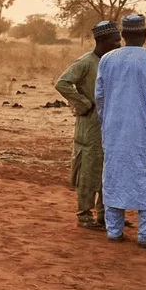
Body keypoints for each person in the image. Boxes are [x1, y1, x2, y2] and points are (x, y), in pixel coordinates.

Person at [55, 21, 121, 229]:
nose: (119, 44)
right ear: (101, 41)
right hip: (90, 124)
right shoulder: (85, 62)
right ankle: (84, 215)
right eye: (115, 40)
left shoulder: (113, 62)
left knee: (107, 168)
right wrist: (83, 103)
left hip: (110, 124)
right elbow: (62, 83)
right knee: (88, 169)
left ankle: (104, 214)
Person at [95, 14, 146, 246]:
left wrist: (107, 122)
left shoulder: (107, 59)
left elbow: (100, 97)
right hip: (144, 131)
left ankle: (114, 232)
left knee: (113, 177)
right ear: (145, 35)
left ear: (123, 35)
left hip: (114, 130)